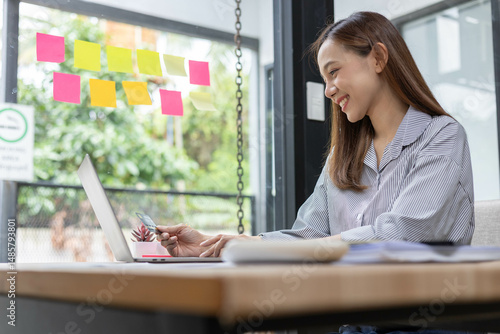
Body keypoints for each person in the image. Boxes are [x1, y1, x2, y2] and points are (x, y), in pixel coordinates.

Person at [156, 11, 478, 334]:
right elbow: (307, 236)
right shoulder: (343, 157)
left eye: (334, 72)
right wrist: (225, 245)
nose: (328, 90)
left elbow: (398, 237)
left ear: (378, 57)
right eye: (325, 79)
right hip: (360, 323)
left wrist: (297, 248)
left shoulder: (442, 137)